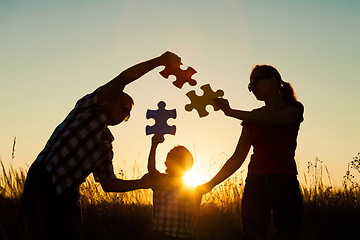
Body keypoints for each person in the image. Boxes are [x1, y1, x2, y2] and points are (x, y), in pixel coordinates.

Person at [17, 51, 181, 240]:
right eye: (123, 107)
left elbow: (109, 183)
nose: (124, 114)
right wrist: (159, 61)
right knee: (31, 233)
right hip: (44, 177)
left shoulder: (105, 145)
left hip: (68, 193)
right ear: (110, 100)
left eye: (128, 115)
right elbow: (123, 79)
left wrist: (142, 183)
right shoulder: (89, 107)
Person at [201, 65, 304, 240]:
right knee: (253, 236)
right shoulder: (252, 117)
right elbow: (237, 157)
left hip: (284, 182)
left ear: (273, 81)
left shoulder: (294, 108)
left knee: (289, 234)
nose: (252, 88)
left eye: (255, 82)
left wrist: (232, 112)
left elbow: (275, 120)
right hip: (256, 183)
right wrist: (209, 184)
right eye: (250, 86)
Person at [144, 134, 202, 240]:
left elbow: (194, 216)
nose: (175, 159)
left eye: (180, 158)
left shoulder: (190, 189)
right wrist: (154, 146)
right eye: (171, 155)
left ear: (187, 166)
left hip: (184, 237)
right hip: (160, 235)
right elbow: (151, 169)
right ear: (166, 162)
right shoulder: (160, 180)